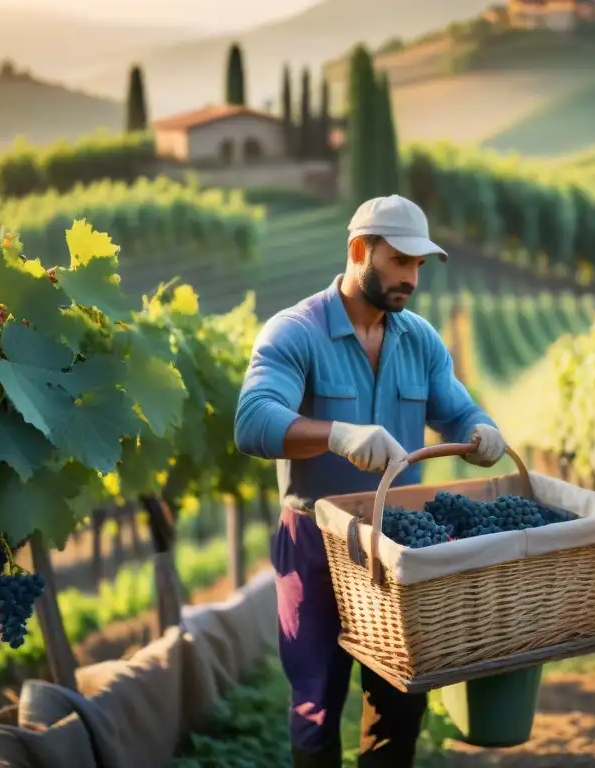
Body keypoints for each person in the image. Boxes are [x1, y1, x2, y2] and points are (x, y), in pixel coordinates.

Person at [234, 194, 508, 768]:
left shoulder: (421, 340)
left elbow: (456, 411)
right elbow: (252, 421)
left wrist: (481, 428)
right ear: (360, 250)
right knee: (316, 700)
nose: (411, 278)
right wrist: (336, 434)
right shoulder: (295, 332)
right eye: (400, 262)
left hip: (398, 543)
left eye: (418, 266)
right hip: (316, 541)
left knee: (401, 699)